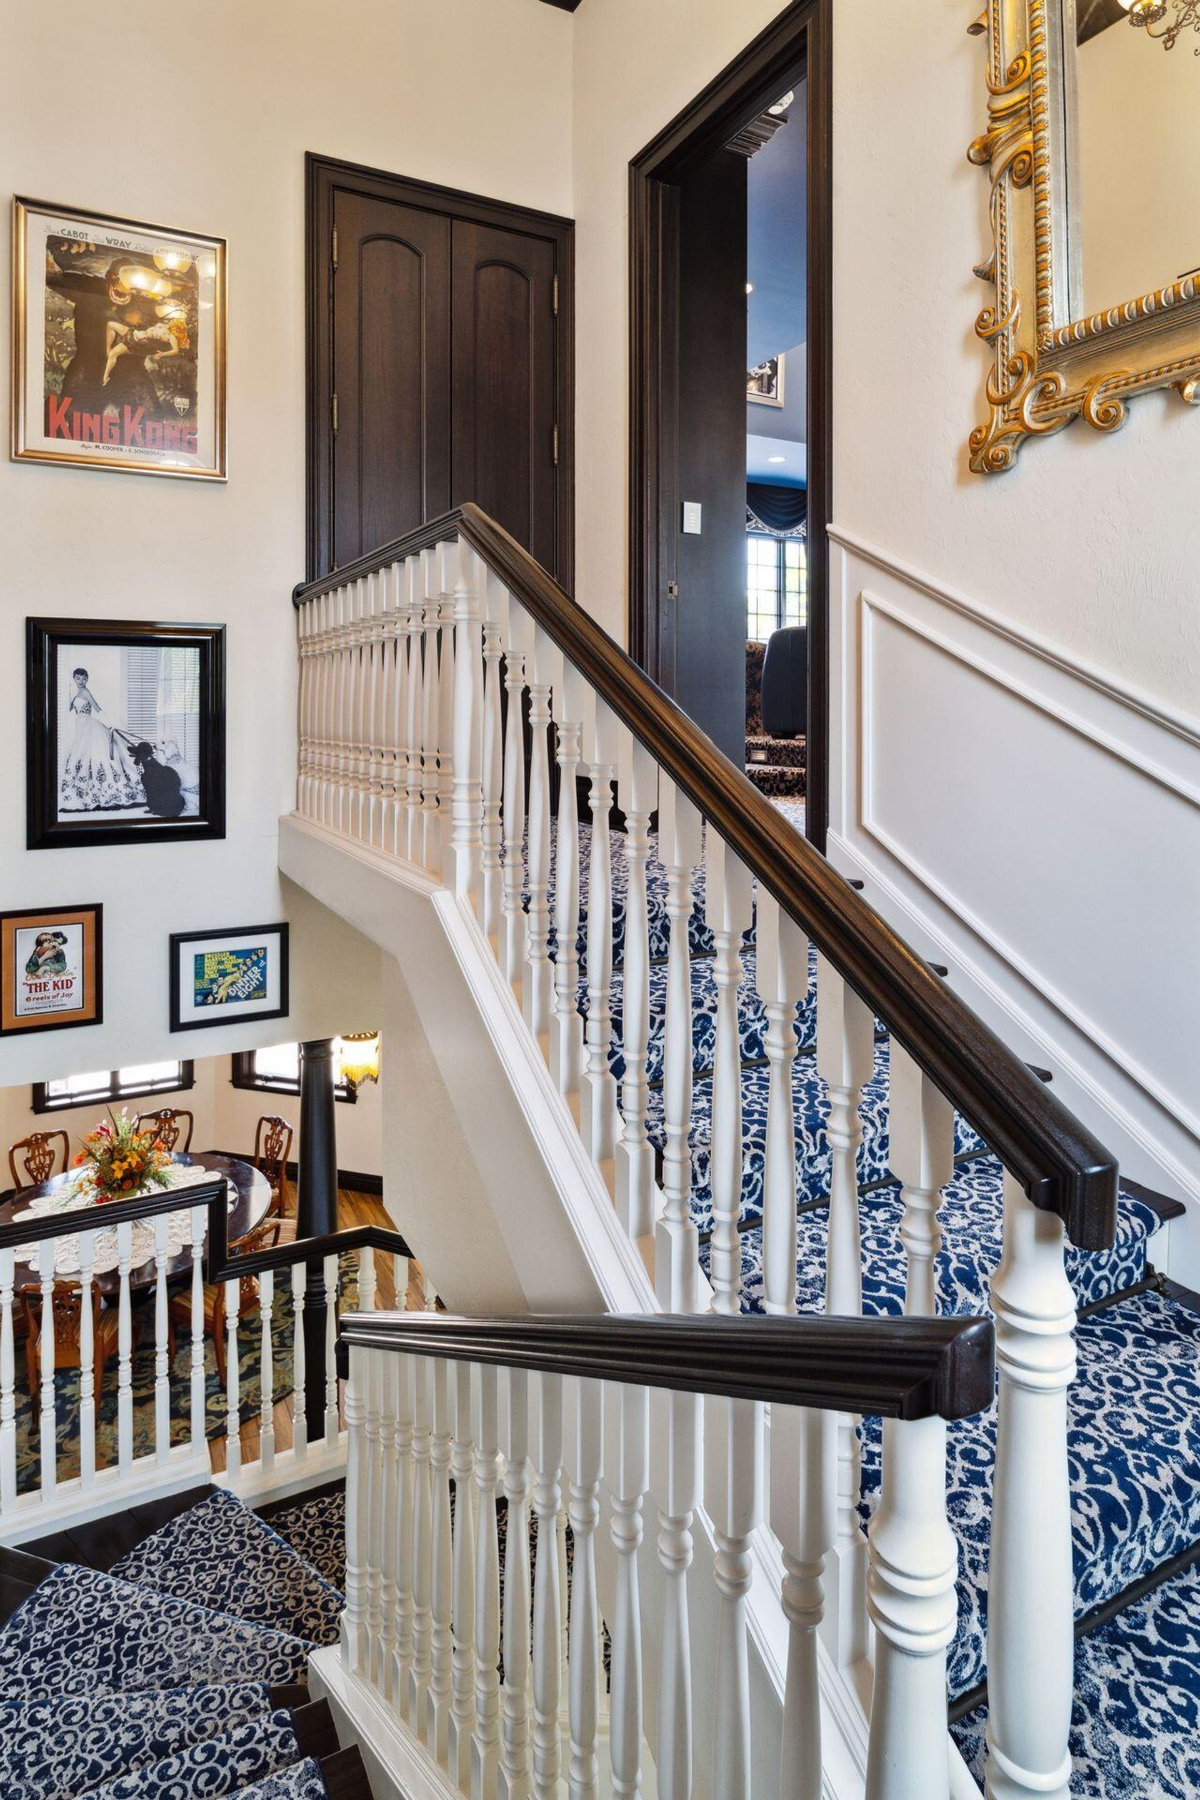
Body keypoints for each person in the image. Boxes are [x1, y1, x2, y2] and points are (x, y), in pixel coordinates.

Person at [59, 668, 142, 814]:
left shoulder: (85, 692)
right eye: (78, 678)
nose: (81, 681)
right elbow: (68, 710)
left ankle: (105, 789)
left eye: (84, 678)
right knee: (81, 757)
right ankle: (81, 791)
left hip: (88, 726)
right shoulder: (75, 693)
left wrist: (110, 724)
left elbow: (97, 708)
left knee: (94, 755)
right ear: (73, 678)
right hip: (79, 728)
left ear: (88, 679)